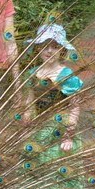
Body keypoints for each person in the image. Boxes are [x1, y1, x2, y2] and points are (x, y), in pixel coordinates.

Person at [25, 23, 83, 172]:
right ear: (38, 48)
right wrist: (27, 120)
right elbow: (29, 101)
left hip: (59, 129)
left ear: (62, 50)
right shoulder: (32, 73)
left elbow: (74, 106)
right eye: (45, 46)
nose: (49, 50)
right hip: (38, 128)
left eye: (55, 46)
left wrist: (68, 135)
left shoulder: (66, 75)